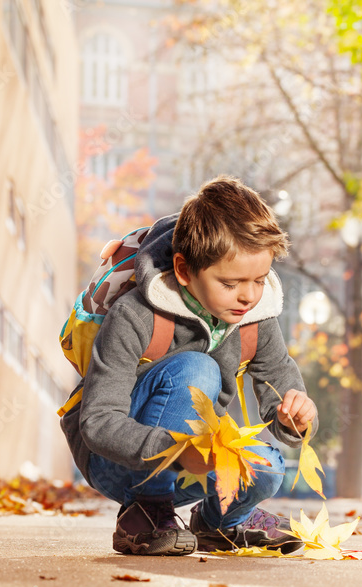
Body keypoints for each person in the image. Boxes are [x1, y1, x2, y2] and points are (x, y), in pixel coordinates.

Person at [60, 176, 317, 556]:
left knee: (268, 467)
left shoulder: (255, 317)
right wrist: (178, 450)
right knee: (198, 369)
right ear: (183, 270)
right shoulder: (136, 315)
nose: (248, 296)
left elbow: (279, 378)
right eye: (231, 284)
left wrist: (295, 416)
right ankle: (147, 512)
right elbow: (98, 423)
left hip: (195, 456)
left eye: (260, 280)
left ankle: (220, 523)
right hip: (115, 461)